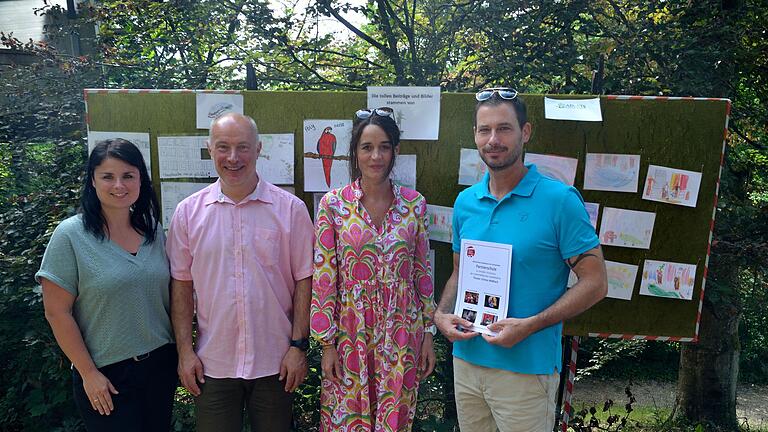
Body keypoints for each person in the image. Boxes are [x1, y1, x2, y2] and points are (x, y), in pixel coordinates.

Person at [434, 88, 608, 432]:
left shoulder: (559, 200)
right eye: (484, 130)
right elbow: (459, 271)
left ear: (525, 133)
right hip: (467, 362)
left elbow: (596, 283)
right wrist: (441, 314)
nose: (493, 139)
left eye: (504, 128)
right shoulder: (466, 201)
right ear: (475, 136)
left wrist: (531, 324)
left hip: (527, 370)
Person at [166, 113, 314, 432]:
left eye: (242, 147)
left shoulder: (291, 210)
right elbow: (180, 285)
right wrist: (184, 352)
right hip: (212, 364)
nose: (233, 158)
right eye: (223, 147)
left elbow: (305, 280)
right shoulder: (188, 214)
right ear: (209, 149)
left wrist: (298, 347)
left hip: (276, 363)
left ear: (259, 149)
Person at [36, 139, 177, 431]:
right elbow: (56, 313)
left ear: (141, 179)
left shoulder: (152, 231)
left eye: (128, 175)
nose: (119, 185)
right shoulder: (70, 236)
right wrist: (89, 373)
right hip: (106, 375)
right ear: (92, 180)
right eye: (108, 176)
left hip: (159, 367)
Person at [311, 108, 437, 432]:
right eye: (367, 147)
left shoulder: (414, 205)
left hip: (401, 333)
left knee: (395, 420)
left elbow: (422, 274)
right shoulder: (333, 205)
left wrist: (427, 335)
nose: (376, 155)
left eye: (384, 146)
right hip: (349, 333)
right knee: (346, 421)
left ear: (396, 150)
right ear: (355, 152)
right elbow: (325, 279)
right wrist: (327, 345)